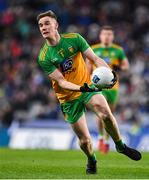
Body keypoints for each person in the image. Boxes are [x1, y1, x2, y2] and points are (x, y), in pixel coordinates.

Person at [37, 10, 141, 174]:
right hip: (68, 98)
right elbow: (62, 82)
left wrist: (110, 74)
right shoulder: (44, 57)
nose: (43, 27)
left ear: (56, 25)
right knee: (84, 140)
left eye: (47, 23)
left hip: (87, 88)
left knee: (106, 114)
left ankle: (120, 146)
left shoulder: (75, 39)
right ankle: (91, 159)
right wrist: (80, 88)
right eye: (40, 25)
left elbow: (96, 59)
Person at [86, 25, 130, 154]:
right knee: (101, 110)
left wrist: (119, 66)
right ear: (100, 36)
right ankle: (100, 137)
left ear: (113, 36)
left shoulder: (118, 51)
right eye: (104, 34)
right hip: (98, 85)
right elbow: (88, 66)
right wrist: (88, 80)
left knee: (110, 113)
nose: (107, 36)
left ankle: (105, 138)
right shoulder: (93, 49)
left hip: (113, 86)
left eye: (109, 34)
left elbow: (126, 65)